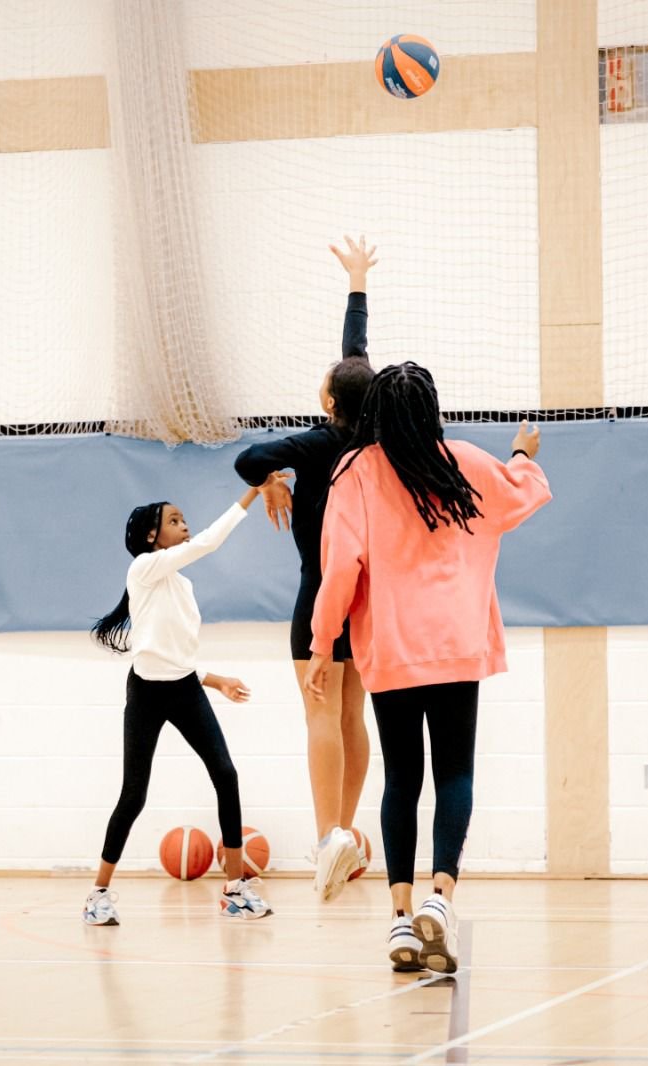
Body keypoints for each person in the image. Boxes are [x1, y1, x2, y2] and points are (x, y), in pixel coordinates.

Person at [307, 362, 551, 973]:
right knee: (455, 774)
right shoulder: (464, 461)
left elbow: (339, 569)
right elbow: (525, 492)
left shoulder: (355, 473)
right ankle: (441, 900)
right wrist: (521, 453)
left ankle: (398, 920)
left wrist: (320, 643)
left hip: (390, 650)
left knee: (401, 781)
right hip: (456, 643)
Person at [233, 236, 378, 900]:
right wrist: (356, 284)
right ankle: (343, 837)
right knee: (353, 718)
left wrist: (269, 479)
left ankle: (328, 839)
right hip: (369, 599)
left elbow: (247, 457)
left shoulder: (317, 443)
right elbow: (356, 356)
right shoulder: (377, 434)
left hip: (322, 593)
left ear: (327, 404)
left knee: (320, 714)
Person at [82, 483, 283, 925]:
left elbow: (177, 655)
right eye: (174, 521)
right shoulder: (144, 569)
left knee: (226, 775)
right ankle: (98, 894)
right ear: (153, 537)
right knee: (133, 795)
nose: (185, 525)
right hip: (146, 694)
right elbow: (211, 540)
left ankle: (234, 891)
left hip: (185, 689)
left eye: (183, 518)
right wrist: (253, 491)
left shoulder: (183, 586)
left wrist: (216, 681)